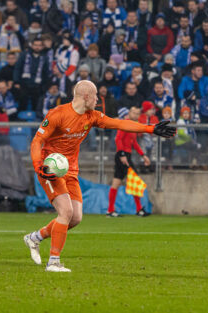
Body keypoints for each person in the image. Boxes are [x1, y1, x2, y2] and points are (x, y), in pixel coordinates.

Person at [23, 80, 176, 272]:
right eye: (95, 96)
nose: (97, 100)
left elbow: (119, 123)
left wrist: (150, 129)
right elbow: (37, 141)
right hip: (50, 169)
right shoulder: (58, 114)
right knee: (66, 212)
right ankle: (53, 262)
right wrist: (39, 166)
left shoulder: (92, 116)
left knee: (76, 218)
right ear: (86, 96)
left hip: (70, 171)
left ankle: (34, 238)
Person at [107, 106, 151, 217]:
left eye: (137, 113)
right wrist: (122, 154)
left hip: (125, 155)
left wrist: (143, 155)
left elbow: (134, 143)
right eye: (134, 113)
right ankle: (139, 209)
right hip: (123, 155)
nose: (136, 115)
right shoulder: (125, 123)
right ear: (129, 113)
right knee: (134, 179)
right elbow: (118, 139)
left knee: (116, 182)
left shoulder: (133, 126)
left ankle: (110, 210)